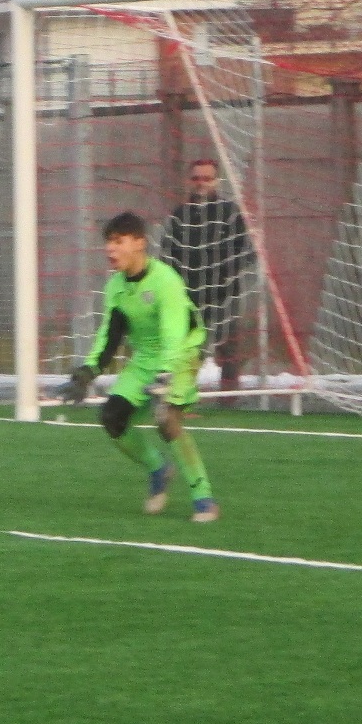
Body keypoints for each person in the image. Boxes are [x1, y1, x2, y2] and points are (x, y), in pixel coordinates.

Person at [61, 210, 219, 523]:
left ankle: (204, 498)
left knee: (166, 419)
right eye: (108, 242)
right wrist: (87, 372)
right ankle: (158, 469)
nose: (110, 249)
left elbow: (174, 333)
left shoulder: (166, 281)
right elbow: (110, 337)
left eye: (118, 241)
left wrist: (166, 375)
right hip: (146, 357)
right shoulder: (115, 287)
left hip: (183, 352)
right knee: (112, 418)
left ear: (139, 243)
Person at [160, 157, 253, 389]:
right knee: (189, 352)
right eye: (196, 178)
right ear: (189, 181)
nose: (201, 183)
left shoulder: (230, 213)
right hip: (189, 297)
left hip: (224, 295)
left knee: (228, 352)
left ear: (216, 181)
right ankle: (182, 397)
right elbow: (166, 256)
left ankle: (229, 399)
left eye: (207, 178)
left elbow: (248, 252)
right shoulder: (179, 216)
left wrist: (224, 273)